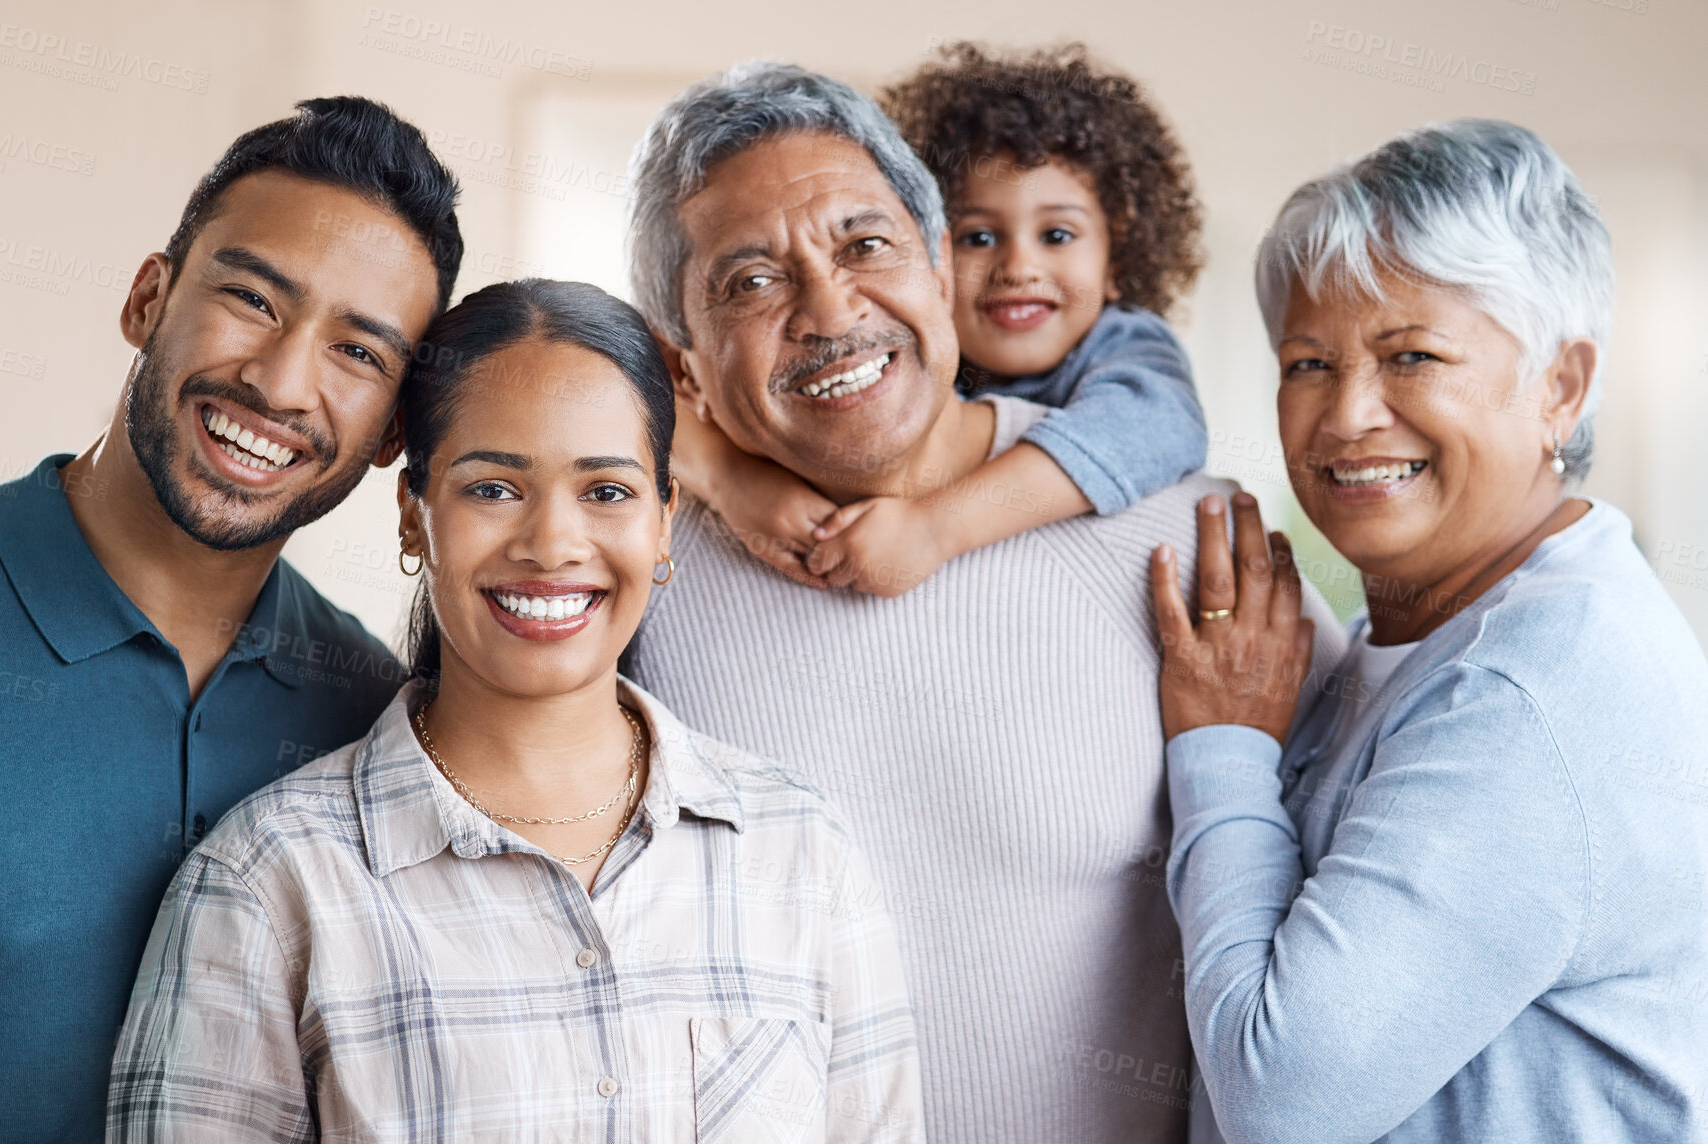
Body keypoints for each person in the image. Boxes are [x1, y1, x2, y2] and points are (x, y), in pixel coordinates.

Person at [621, 62, 1346, 1143]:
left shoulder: (1192, 544)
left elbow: (1354, 958)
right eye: (749, 281)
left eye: (866, 245)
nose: (830, 309)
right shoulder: (627, 578)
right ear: (680, 357)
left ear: (932, 271)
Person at [108, 279, 923, 1143]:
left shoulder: (799, 848)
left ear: (662, 523)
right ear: (414, 518)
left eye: (606, 491)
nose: (551, 545)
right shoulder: (270, 882)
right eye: (492, 488)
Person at [1150, 120, 1708, 1143]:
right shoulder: (1411, 631)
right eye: (1307, 362)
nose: (1346, 414)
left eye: (1411, 356)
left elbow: (1281, 1103)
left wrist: (1222, 744)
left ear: (1560, 387)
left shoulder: (1534, 685)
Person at [0, 96, 460, 1141]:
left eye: (358, 354)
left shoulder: (374, 722)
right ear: (149, 297)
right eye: (252, 299)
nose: (280, 382)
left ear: (389, 438)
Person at [671, 42, 1208, 596]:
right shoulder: (898, 353)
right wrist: (733, 479)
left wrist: (936, 528)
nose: (1019, 267)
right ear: (936, 262)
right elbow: (641, 388)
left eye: (1057, 236)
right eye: (980, 237)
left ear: (1116, 261)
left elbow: (1158, 429)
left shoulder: (1126, 345)